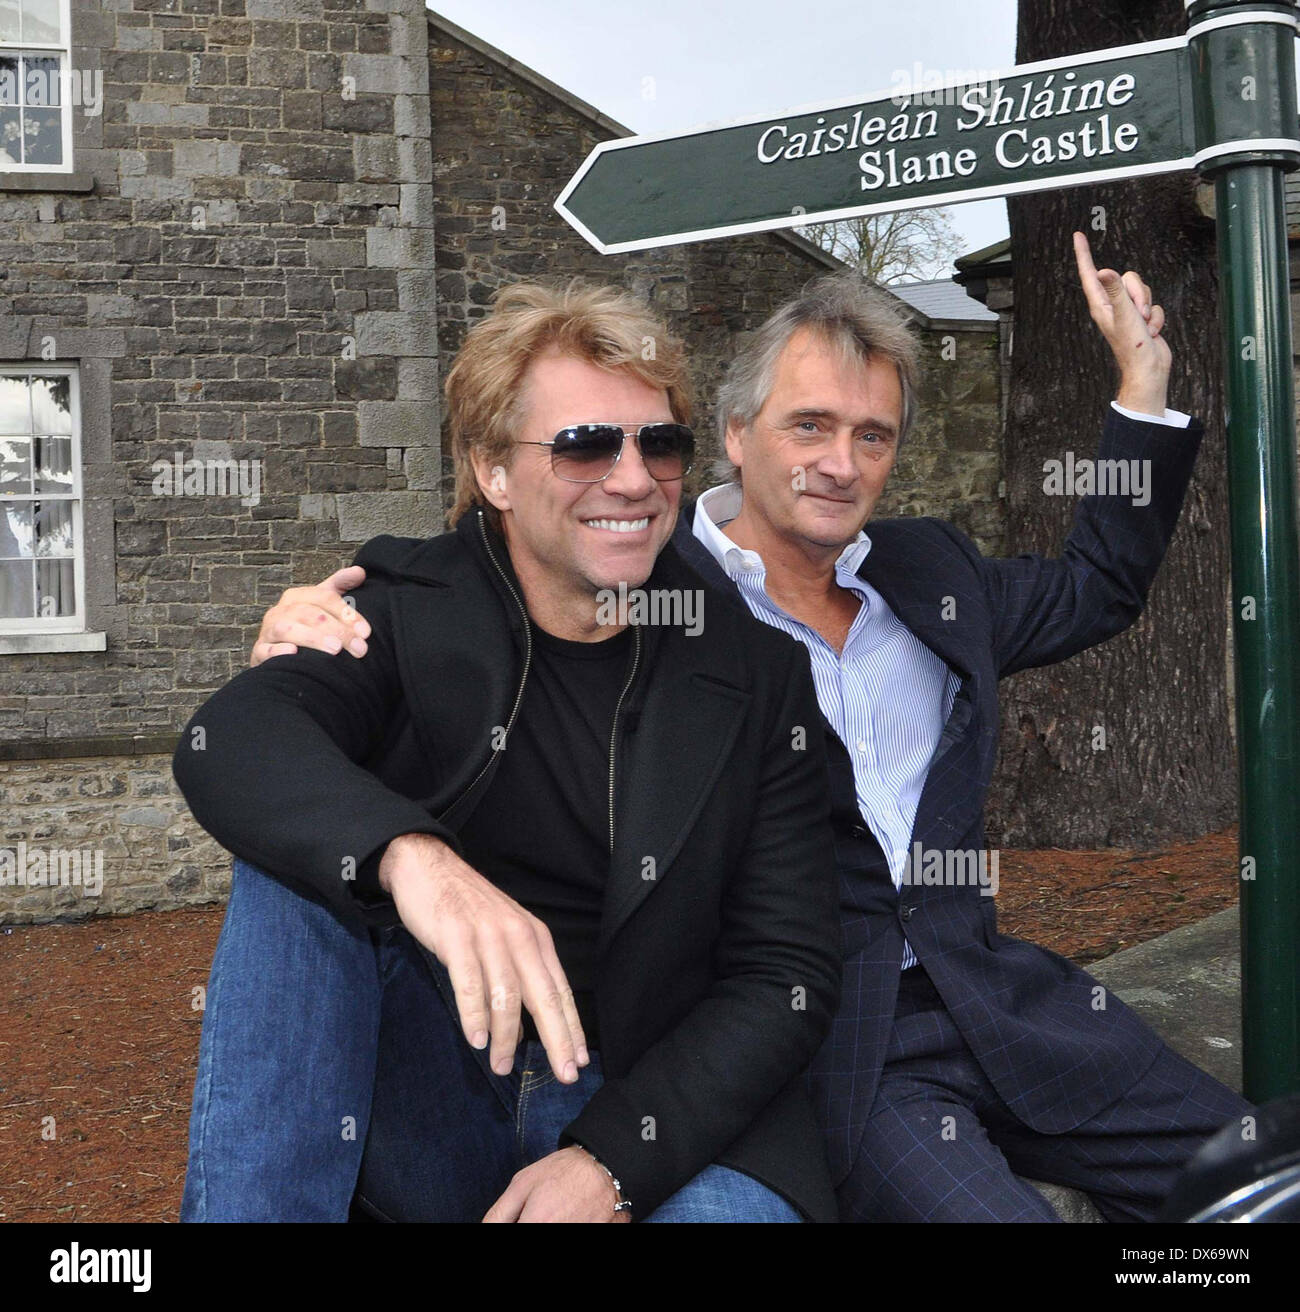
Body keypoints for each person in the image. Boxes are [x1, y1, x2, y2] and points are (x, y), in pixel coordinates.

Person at [260, 235, 1251, 1222]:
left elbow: (1097, 588)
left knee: (1255, 1177)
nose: (840, 462)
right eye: (809, 425)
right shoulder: (636, 581)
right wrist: (320, 627)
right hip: (830, 1046)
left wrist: (1143, 384)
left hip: (1002, 1001)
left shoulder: (932, 576)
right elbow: (481, 607)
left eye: (873, 435)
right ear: (734, 434)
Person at [174, 281, 842, 1223]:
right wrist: (415, 859)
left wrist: (607, 1166)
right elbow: (230, 738)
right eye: (583, 445)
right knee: (298, 872)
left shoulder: (753, 674)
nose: (631, 478)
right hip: (437, 1089)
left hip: (660, 1112)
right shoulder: (400, 610)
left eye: (659, 444)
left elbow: (788, 976)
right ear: (492, 470)